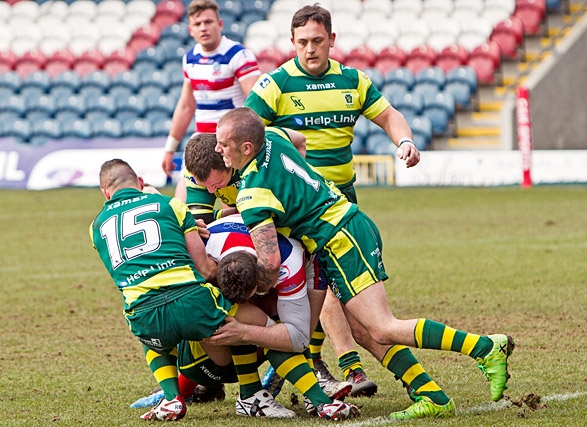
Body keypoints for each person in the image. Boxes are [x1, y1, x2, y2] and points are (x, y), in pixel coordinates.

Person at [211, 107, 515, 420]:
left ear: (247, 147)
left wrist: (254, 291)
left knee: (382, 326)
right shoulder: (272, 135)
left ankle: (485, 348)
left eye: (223, 143)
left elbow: (271, 262)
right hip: (345, 226)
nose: (218, 149)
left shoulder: (252, 192)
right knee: (363, 331)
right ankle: (432, 396)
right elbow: (300, 141)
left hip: (340, 239)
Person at [243, 3, 421, 398]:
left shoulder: (353, 81)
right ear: (291, 42)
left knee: (336, 290)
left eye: (317, 41)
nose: (310, 49)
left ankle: (315, 364)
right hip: (297, 209)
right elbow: (243, 131)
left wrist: (404, 140)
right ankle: (347, 366)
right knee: (319, 283)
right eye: (302, 42)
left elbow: (389, 115)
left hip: (343, 201)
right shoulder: (275, 85)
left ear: (331, 40)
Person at [89, 159, 355, 421]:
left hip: (141, 311)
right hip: (191, 302)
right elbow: (204, 268)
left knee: (153, 340)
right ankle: (310, 401)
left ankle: (171, 399)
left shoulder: (95, 227)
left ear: (105, 193)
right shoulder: (171, 205)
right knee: (257, 324)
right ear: (140, 182)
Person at [160, 0, 261, 205]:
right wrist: (170, 148)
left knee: (232, 211)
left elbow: (256, 102)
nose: (203, 27)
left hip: (230, 145)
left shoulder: (239, 55)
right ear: (190, 30)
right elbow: (186, 106)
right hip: (201, 143)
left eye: (208, 21)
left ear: (220, 24)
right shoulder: (190, 58)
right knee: (183, 210)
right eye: (197, 24)